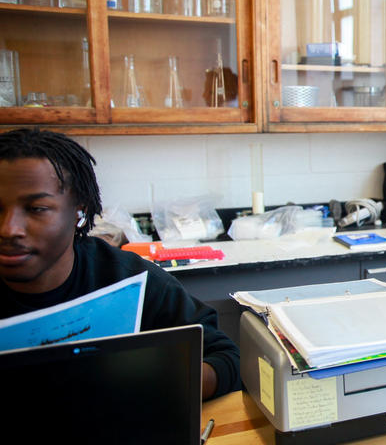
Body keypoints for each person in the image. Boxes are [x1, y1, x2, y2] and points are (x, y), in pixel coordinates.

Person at [0, 128, 239, 399]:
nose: (9, 229)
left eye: (36, 209)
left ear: (81, 211)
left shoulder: (128, 280)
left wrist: (159, 379)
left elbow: (225, 360)